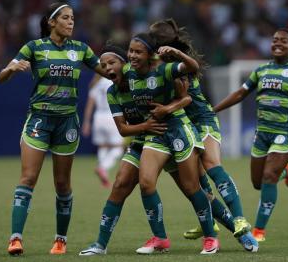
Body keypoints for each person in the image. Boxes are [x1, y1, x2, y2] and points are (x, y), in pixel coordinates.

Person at [0, 2, 108, 256]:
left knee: (62, 184)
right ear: (51, 22)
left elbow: (108, 71)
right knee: (28, 178)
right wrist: (11, 69)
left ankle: (60, 240)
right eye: (66, 18)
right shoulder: (34, 48)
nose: (71, 22)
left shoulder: (80, 50)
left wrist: (129, 70)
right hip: (39, 120)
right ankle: (15, 239)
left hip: (66, 123)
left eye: (72, 18)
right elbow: (1, 77)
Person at [213, 28, 288, 242]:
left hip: (285, 133)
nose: (277, 43)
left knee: (269, 176)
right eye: (274, 40)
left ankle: (259, 230)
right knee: (258, 183)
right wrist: (213, 110)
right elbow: (241, 93)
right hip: (262, 135)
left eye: (283, 41)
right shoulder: (260, 70)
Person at [149, 18, 258, 252]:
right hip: (185, 125)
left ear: (160, 42)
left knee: (212, 165)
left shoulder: (180, 66)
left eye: (153, 40)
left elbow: (186, 98)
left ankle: (239, 218)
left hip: (203, 121)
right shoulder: (160, 67)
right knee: (197, 184)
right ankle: (210, 223)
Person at [79, 45, 190, 255]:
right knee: (120, 184)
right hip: (142, 140)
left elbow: (179, 90)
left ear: (125, 64)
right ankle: (100, 245)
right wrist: (144, 127)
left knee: (192, 189)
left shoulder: (143, 80)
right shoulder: (112, 91)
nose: (107, 68)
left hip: (167, 137)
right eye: (103, 66)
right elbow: (122, 129)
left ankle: (233, 228)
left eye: (112, 63)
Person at [125, 33, 219, 255]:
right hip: (156, 132)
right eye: (130, 50)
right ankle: (160, 239)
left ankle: (211, 238)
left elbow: (193, 67)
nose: (132, 55)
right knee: (146, 183)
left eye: (138, 52)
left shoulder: (164, 70)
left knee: (191, 187)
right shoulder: (127, 72)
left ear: (150, 55)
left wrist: (176, 53)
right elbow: (109, 67)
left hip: (179, 129)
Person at [82, 74, 124, 188]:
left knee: (103, 147)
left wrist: (86, 122)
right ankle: (103, 168)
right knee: (118, 148)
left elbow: (89, 105)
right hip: (112, 116)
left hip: (98, 117)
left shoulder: (96, 84)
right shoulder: (113, 82)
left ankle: (103, 174)